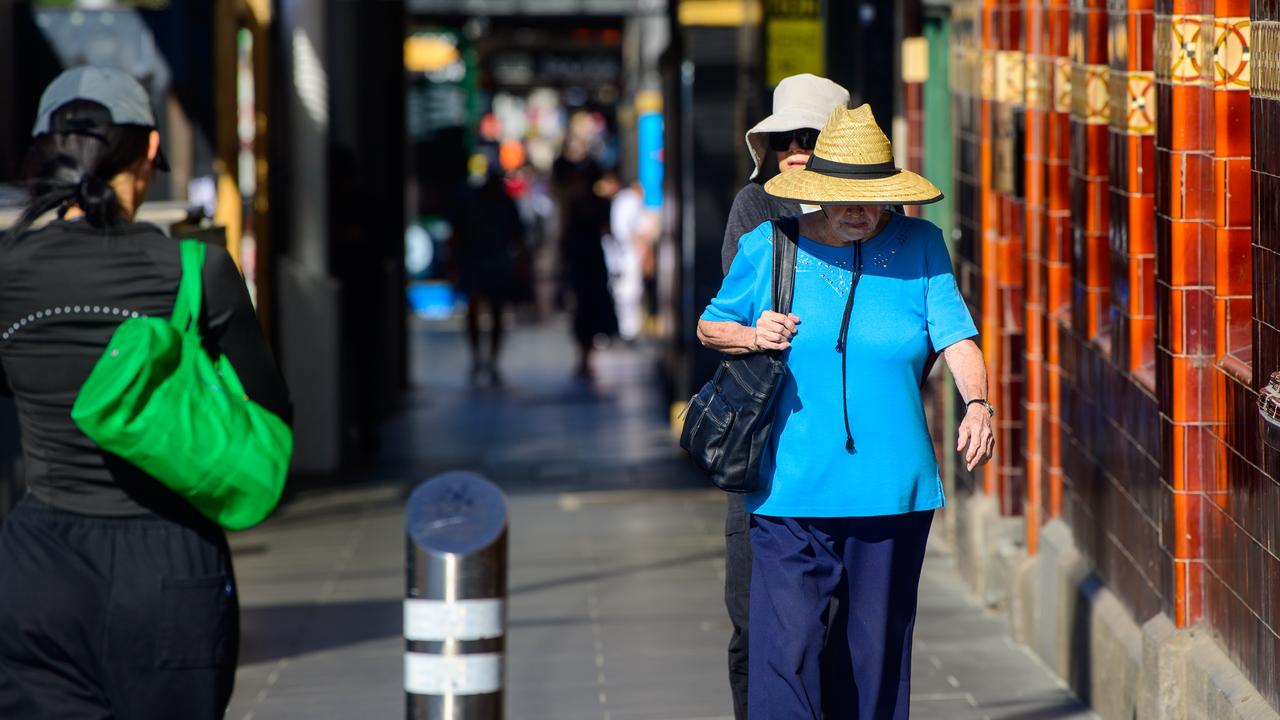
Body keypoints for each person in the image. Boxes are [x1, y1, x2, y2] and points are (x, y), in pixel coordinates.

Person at [0, 66, 291, 718]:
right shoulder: (198, 271)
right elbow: (271, 413)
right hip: (170, 570)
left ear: (45, 149)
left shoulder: (6, 269)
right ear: (151, 150)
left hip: (34, 569)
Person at [697, 104, 995, 719]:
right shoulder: (769, 245)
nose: (860, 212)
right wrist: (755, 335)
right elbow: (710, 325)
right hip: (787, 490)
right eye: (845, 199)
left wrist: (979, 404)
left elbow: (957, 337)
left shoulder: (922, 246)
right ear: (818, 194)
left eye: (874, 199)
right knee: (787, 652)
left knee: (873, 658)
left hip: (893, 492)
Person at [717, 72, 851, 720]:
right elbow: (736, 309)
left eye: (810, 137)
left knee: (832, 631)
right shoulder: (756, 208)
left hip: (846, 447)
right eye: (784, 139)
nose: (795, 149)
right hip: (769, 441)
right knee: (752, 621)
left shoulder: (870, 215)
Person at [552, 126, 617, 378]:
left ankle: (586, 355)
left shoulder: (583, 204)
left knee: (586, 306)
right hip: (584, 257)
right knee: (586, 306)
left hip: (584, 257)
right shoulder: (590, 204)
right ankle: (585, 355)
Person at [453, 164, 526, 386]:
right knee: (478, 310)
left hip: (494, 263)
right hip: (479, 261)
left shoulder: (504, 204)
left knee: (494, 311)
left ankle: (490, 359)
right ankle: (480, 357)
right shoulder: (476, 202)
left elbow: (518, 236)